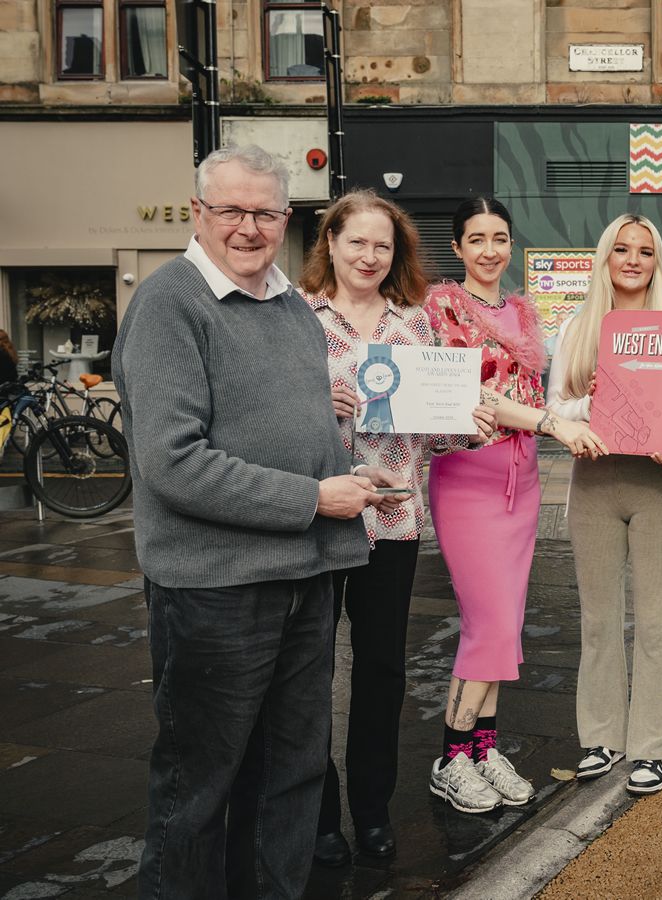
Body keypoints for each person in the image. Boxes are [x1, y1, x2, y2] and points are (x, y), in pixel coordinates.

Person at [113, 145, 404, 899]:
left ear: (287, 219)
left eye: (266, 212)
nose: (249, 227)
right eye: (232, 211)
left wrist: (348, 473)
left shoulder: (288, 307)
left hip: (306, 579)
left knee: (292, 778)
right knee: (199, 787)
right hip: (215, 590)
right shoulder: (169, 302)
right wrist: (314, 498)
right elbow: (173, 463)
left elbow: (297, 433)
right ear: (199, 214)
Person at [298, 190, 495, 866]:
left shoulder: (414, 328)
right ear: (331, 242)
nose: (369, 255)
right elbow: (263, 418)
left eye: (382, 245)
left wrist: (465, 425)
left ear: (396, 253)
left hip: (391, 520)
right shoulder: (296, 320)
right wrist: (310, 403)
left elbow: (433, 435)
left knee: (381, 673)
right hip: (316, 520)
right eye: (357, 242)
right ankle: (320, 816)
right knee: (309, 673)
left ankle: (374, 810)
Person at [424, 197, 608, 813]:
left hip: (521, 476)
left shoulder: (525, 311)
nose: (489, 250)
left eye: (499, 238)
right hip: (469, 475)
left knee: (504, 624)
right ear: (457, 248)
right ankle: (450, 758)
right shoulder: (444, 305)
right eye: (475, 239)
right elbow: (469, 391)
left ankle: (481, 748)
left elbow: (539, 388)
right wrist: (553, 423)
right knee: (491, 622)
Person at [546, 214, 662, 795]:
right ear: (606, 257)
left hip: (660, 487)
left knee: (657, 622)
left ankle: (655, 746)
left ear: (657, 263)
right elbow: (554, 411)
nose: (633, 259)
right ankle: (602, 738)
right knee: (599, 620)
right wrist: (592, 403)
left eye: (646, 251)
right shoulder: (577, 329)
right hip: (594, 484)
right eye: (623, 249)